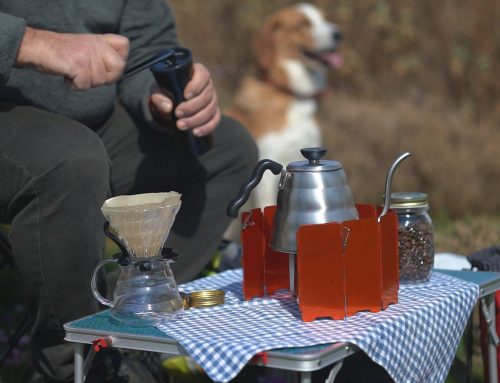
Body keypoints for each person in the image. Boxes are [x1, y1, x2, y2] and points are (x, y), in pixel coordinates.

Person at [0, 1, 257, 382]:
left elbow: (146, 42)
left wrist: (163, 96)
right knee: (71, 162)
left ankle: (135, 337)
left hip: (92, 124)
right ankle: (70, 365)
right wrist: (31, 44)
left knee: (226, 149)